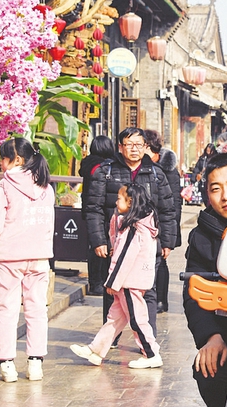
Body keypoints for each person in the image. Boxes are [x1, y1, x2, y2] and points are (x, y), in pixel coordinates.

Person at [84, 127, 176, 333]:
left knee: (148, 290)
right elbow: (94, 208)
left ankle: (147, 335)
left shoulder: (156, 174)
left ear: (145, 147)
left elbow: (167, 210)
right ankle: (110, 338)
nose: (134, 149)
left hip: (146, 245)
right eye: (129, 144)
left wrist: (167, 242)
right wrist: (99, 240)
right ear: (120, 147)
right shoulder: (104, 171)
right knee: (112, 288)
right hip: (115, 243)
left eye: (138, 145)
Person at [183, 152, 227, 407]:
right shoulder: (202, 235)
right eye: (216, 189)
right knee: (208, 370)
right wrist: (210, 336)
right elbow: (193, 293)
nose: (226, 196)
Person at [0, 138, 55, 383]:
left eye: (3, 158)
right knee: (36, 310)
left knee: (7, 309)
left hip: (10, 257)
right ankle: (35, 363)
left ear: (17, 160)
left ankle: (7, 363)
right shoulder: (46, 187)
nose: (1, 163)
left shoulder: (4, 188)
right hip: (39, 256)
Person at [71, 183, 162, 368]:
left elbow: (124, 258)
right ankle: (96, 351)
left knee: (137, 319)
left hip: (129, 281)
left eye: (119, 198)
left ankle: (151, 353)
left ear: (130, 202)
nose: (115, 201)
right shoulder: (138, 224)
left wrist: (113, 282)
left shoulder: (135, 228)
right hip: (130, 280)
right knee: (115, 319)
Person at [144, 129, 182, 313]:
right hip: (145, 223)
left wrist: (169, 233)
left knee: (161, 262)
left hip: (162, 224)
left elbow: (174, 203)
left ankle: (161, 300)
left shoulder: (168, 170)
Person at [79, 135, 115, 295]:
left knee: (93, 245)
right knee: (103, 246)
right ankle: (100, 281)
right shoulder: (104, 167)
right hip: (103, 210)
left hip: (89, 209)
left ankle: (95, 282)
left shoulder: (88, 164)